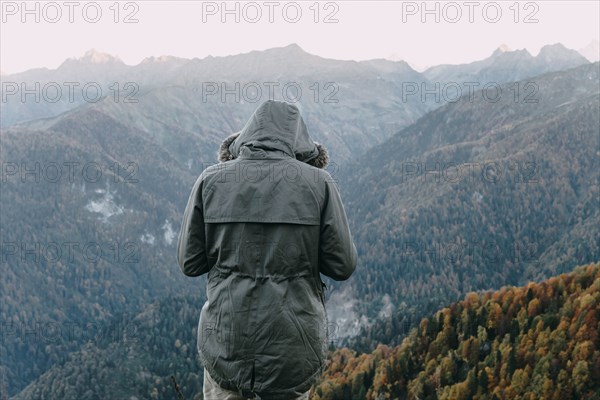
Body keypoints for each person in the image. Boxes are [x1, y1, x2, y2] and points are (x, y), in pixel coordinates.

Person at [177, 100, 357, 400]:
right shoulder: (320, 185)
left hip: (225, 343)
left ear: (246, 135)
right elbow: (342, 266)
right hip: (292, 349)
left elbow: (190, 263)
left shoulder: (211, 180)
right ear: (301, 142)